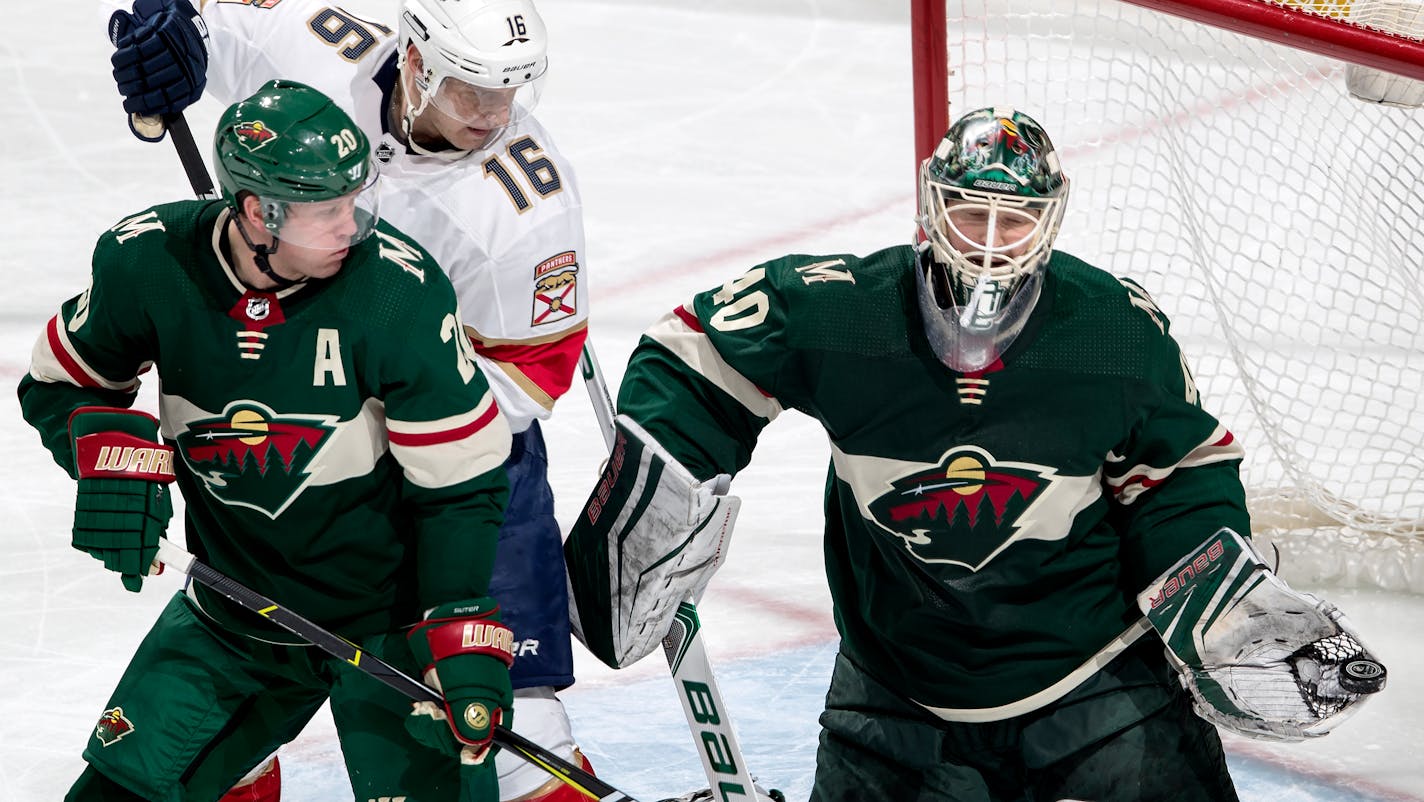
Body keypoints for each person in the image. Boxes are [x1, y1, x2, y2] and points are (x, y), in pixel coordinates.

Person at [563, 107, 1387, 801]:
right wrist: (662, 488)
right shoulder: (844, 313)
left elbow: (1176, 471)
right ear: (932, 204)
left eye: (1016, 218)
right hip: (898, 687)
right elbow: (698, 355)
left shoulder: (1113, 330)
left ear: (1051, 219)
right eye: (970, 211)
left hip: (1093, 679)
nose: (991, 240)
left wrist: (1216, 594)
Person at [106, 0, 593, 797]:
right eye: (472, 89)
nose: (493, 114)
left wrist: (367, 416)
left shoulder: (526, 208)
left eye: (509, 92)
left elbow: (529, 372)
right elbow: (203, 23)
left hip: (451, 476)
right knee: (219, 714)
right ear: (416, 59)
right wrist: (165, 41)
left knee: (498, 732)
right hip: (281, 456)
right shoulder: (319, 47)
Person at [19, 80, 518, 802]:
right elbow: (60, 384)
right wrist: (100, 450)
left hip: (387, 626)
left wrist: (456, 619)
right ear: (258, 211)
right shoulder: (147, 263)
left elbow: (461, 484)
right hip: (235, 611)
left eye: (355, 201)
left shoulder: (396, 294)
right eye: (328, 211)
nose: (352, 226)